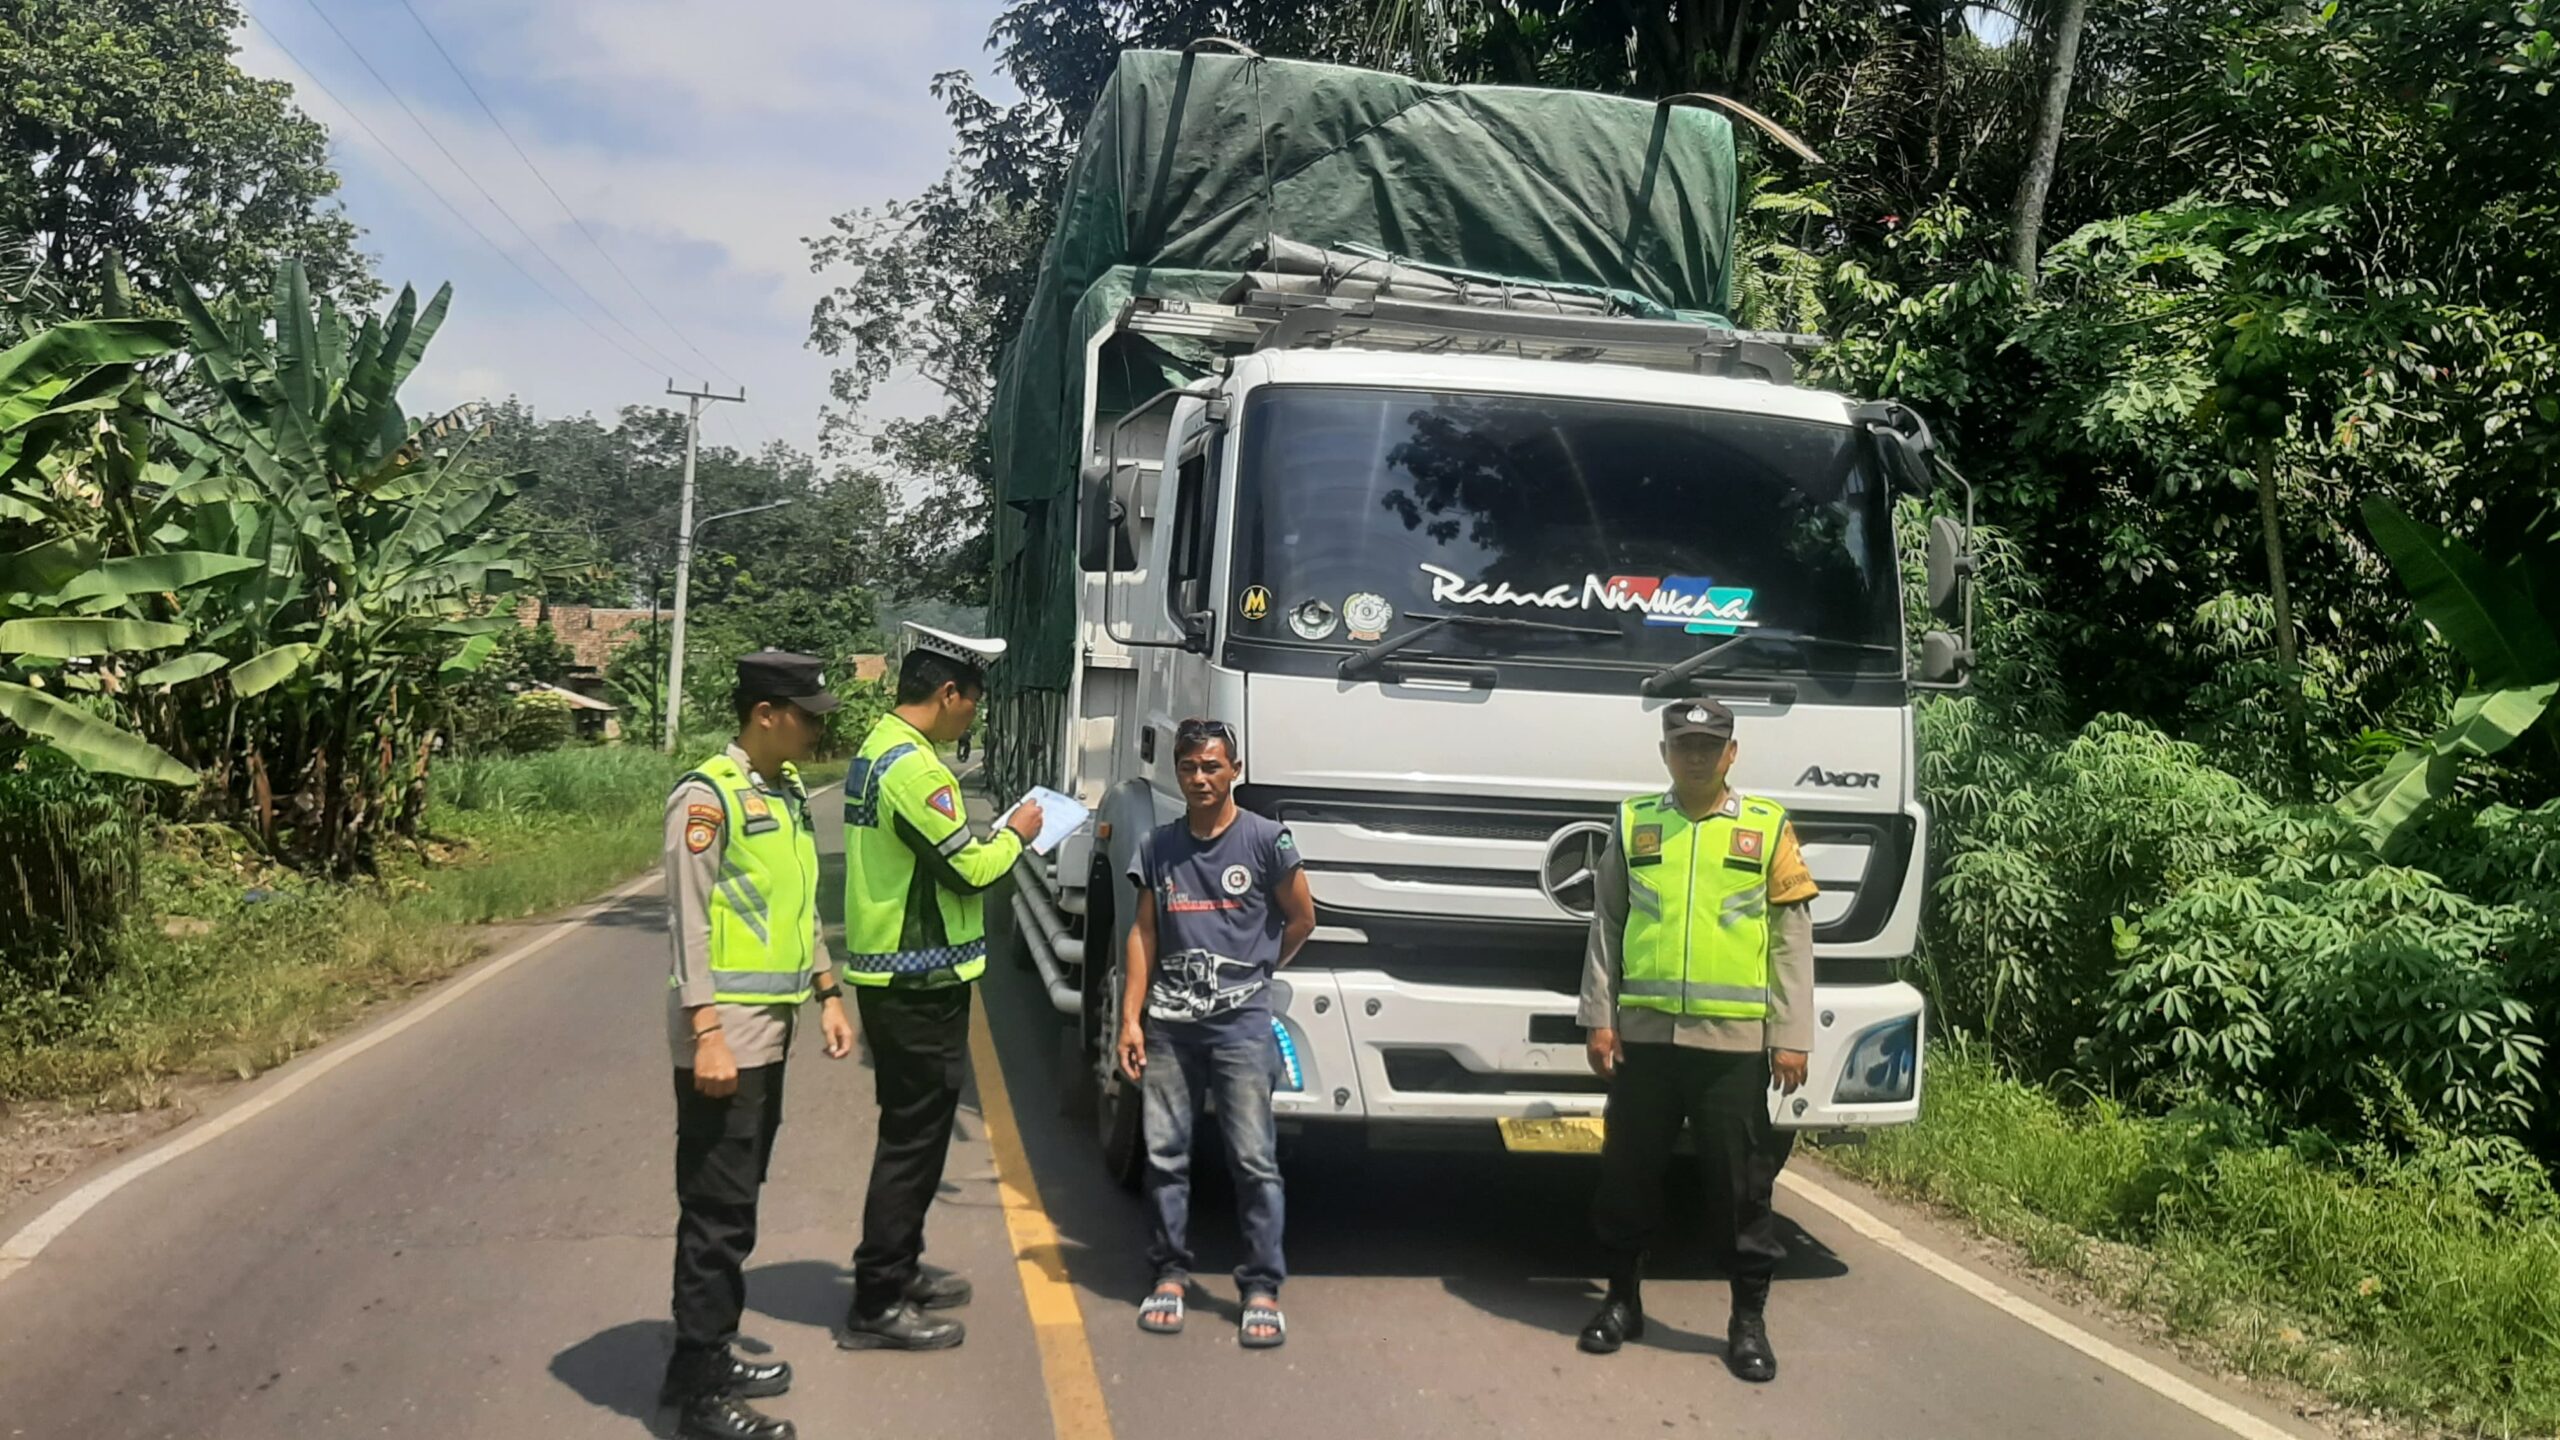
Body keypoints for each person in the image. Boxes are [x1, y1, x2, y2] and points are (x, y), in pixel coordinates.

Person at [1576, 697, 1819, 1383]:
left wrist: (1792, 1035)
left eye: (1709, 745)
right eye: (1682, 743)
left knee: (1739, 1191)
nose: (1695, 755)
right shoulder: (1634, 823)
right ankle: (1622, 1304)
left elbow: (1792, 942)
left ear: (1731, 754)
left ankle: (1747, 1323)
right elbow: (1606, 928)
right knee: (1627, 1179)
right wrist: (1600, 1018)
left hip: (1733, 1050)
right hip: (1645, 1044)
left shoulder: (1767, 828)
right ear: (1664, 752)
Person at [662, 651, 857, 1440]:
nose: (817, 729)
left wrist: (827, 989)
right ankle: (704, 1399)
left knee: (737, 1203)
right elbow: (689, 920)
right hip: (726, 1040)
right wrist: (704, 1033)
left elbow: (798, 904)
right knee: (716, 1212)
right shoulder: (707, 796)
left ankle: (699, 1358)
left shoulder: (786, 793)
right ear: (766, 713)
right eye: (808, 715)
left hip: (771, 1031)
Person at [837, 623, 1043, 1351]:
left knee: (914, 1139)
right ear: (948, 692)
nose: (975, 716)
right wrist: (1019, 831)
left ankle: (899, 1269)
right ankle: (878, 1300)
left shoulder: (881, 748)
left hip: (902, 977)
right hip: (917, 980)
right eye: (973, 702)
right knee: (911, 1144)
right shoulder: (916, 772)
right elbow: (973, 870)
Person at [1115, 717, 1316, 1348]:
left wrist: (1255, 974)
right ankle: (1169, 1275)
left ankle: (1261, 1287)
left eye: (1211, 767)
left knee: (1254, 1161)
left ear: (1235, 770)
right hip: (1171, 1031)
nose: (1200, 779)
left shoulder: (1267, 841)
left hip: (1241, 1031)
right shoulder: (1157, 845)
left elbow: (1301, 918)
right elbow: (1144, 932)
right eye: (1188, 768)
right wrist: (1131, 1017)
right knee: (1165, 1156)